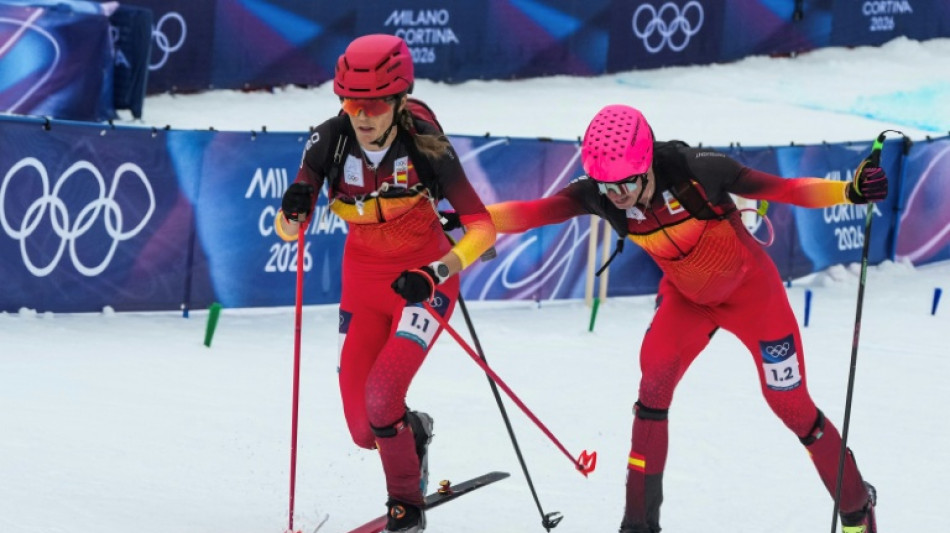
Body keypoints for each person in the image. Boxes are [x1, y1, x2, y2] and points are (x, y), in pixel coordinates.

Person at [482, 104, 884, 533]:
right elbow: (531, 212)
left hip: (753, 297)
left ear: (647, 164)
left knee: (791, 406)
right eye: (606, 186)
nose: (616, 196)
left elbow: (784, 188)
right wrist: (473, 222)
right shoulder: (599, 192)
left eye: (625, 184)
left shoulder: (696, 170)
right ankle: (638, 525)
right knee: (653, 384)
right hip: (687, 300)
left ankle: (858, 508)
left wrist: (850, 192)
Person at [276, 34, 496, 533]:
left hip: (425, 280)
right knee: (364, 429)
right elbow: (288, 229)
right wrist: (292, 212)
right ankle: (413, 433)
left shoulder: (425, 144)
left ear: (398, 102)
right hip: (363, 283)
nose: (364, 115)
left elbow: (483, 228)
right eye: (354, 102)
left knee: (382, 397)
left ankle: (406, 507)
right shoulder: (329, 140)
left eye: (376, 103)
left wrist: (436, 272)